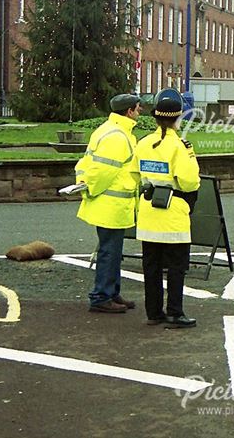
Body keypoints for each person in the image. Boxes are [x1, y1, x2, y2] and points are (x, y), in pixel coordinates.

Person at [135, 90, 201, 329]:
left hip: (149, 211)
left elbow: (135, 174)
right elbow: (189, 182)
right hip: (173, 213)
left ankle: (153, 312)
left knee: (150, 266)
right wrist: (191, 156)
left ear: (155, 117)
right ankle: (175, 312)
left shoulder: (143, 143)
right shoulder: (180, 146)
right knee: (176, 267)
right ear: (178, 117)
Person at [76, 93, 141, 313]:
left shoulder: (109, 130)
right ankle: (101, 296)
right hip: (111, 203)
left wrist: (84, 185)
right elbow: (103, 170)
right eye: (138, 108)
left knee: (112, 250)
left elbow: (86, 163)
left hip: (108, 202)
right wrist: (90, 187)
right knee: (109, 251)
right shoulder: (118, 136)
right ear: (129, 111)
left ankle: (111, 292)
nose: (140, 112)